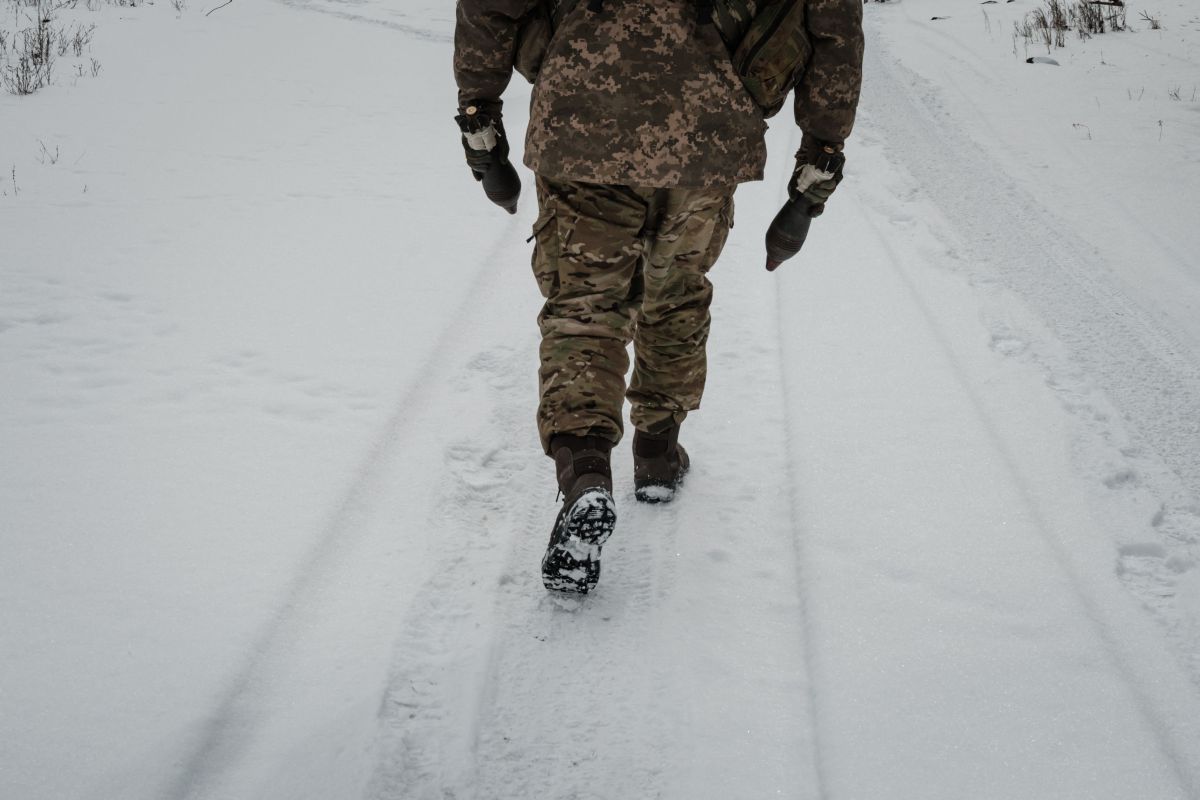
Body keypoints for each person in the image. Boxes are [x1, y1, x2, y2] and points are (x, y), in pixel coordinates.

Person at [453, 0, 864, 593]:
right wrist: (811, 184)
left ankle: (587, 473)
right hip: (708, 133)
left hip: (580, 119)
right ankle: (656, 454)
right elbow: (834, 35)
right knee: (675, 292)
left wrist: (480, 131)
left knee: (585, 309)